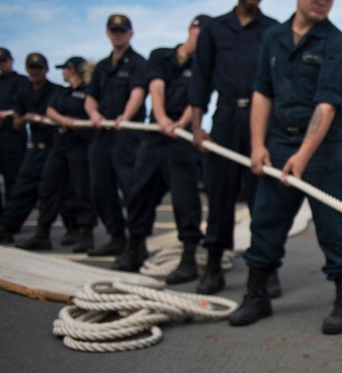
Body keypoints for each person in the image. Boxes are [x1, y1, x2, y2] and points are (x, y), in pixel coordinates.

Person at [228, 0, 342, 335]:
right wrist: (257, 145)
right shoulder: (272, 39)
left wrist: (303, 156)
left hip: (326, 148)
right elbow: (262, 91)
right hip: (279, 140)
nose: (322, 1)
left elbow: (327, 104)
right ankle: (257, 295)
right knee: (266, 219)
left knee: (335, 225)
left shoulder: (339, 46)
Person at [188, 0, 279, 296]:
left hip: (261, 121)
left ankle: (266, 269)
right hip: (225, 117)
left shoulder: (272, 30)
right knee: (220, 194)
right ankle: (213, 266)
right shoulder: (214, 29)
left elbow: (280, 83)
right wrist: (198, 127)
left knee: (263, 200)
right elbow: (200, 78)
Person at [112, 15, 209, 281]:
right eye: (202, 31)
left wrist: (181, 123)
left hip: (182, 138)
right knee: (140, 193)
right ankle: (136, 247)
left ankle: (188, 256)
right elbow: (156, 86)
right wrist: (163, 118)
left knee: (185, 199)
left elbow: (197, 99)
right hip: (155, 136)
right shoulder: (160, 56)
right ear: (191, 28)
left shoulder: (204, 66)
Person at [84, 14, 148, 257]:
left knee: (131, 188)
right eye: (114, 30)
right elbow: (91, 97)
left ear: (130, 33)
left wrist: (126, 116)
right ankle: (116, 236)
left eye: (122, 30)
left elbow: (138, 92)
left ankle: (136, 240)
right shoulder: (101, 67)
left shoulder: (137, 62)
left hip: (127, 135)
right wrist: (93, 114)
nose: (118, 34)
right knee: (100, 187)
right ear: (108, 33)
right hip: (102, 135)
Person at [20, 57, 96, 252]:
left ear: (73, 70)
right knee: (48, 187)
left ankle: (85, 232)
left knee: (82, 190)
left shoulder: (89, 91)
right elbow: (50, 110)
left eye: (65, 69)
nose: (62, 73)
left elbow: (92, 111)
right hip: (60, 143)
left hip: (80, 145)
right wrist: (64, 120)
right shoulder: (62, 92)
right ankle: (42, 233)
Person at [3, 53, 68, 243]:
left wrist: (43, 118)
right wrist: (23, 119)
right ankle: (8, 226)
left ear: (46, 69)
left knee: (53, 190)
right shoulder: (24, 93)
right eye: (32, 68)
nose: (35, 71)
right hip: (36, 146)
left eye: (39, 68)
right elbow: (17, 122)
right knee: (22, 188)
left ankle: (48, 232)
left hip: (55, 145)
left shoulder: (56, 90)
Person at [0, 47, 31, 243]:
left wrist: (6, 114)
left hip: (13, 135)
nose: (2, 64)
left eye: (4, 61)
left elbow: (24, 105)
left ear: (11, 61)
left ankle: (11, 222)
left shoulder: (21, 82)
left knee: (15, 180)